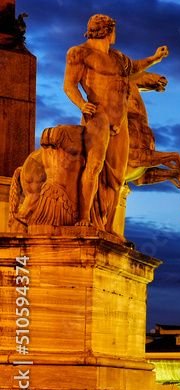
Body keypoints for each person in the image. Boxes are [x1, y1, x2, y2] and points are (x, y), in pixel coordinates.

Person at [63, 14, 169, 232]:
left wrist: (154, 58)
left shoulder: (118, 57)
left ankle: (109, 228)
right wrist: (82, 104)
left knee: (117, 177)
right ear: (107, 31)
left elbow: (135, 67)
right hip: (98, 117)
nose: (115, 35)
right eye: (114, 31)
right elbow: (69, 85)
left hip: (120, 121)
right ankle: (84, 217)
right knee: (94, 167)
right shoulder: (79, 52)